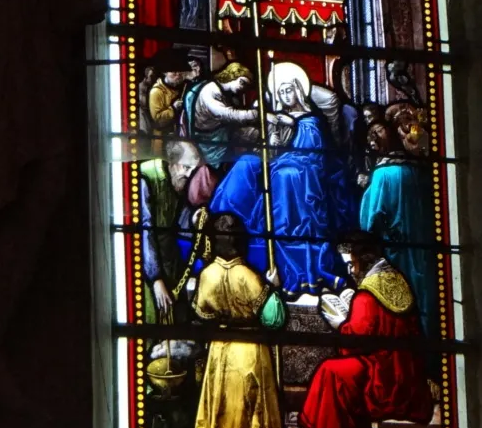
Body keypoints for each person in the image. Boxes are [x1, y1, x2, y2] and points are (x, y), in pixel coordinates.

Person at [299, 231, 433, 428]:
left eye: (352, 264)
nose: (351, 271)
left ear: (364, 261)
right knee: (333, 375)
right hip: (406, 379)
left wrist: (338, 323)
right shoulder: (396, 281)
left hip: (384, 386)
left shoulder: (368, 294)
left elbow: (353, 342)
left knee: (330, 376)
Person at [154, 213, 286, 428]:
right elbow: (275, 320)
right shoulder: (250, 278)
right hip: (250, 352)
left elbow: (202, 315)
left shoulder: (207, 276)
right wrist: (273, 287)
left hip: (220, 351)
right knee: (248, 416)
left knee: (220, 412)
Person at [209, 62, 356, 298]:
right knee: (247, 163)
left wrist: (282, 153)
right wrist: (271, 139)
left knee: (285, 175)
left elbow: (312, 154)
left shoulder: (311, 120)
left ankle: (285, 227)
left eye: (288, 90)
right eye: (281, 92)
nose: (286, 96)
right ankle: (221, 220)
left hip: (307, 171)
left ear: (298, 90)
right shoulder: (278, 117)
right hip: (281, 163)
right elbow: (269, 148)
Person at [359, 120, 437, 338]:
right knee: (427, 293)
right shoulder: (422, 171)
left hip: (397, 249)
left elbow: (369, 221)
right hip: (426, 245)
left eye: (377, 133)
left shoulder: (383, 174)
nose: (373, 141)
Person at [140, 140, 217, 323]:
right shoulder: (147, 179)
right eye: (186, 167)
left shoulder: (178, 181)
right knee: (154, 316)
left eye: (193, 168)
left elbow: (177, 219)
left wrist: (193, 220)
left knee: (179, 316)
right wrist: (155, 279)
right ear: (172, 162)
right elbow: (145, 232)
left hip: (171, 261)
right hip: (146, 264)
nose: (189, 174)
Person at [185, 62, 259, 170]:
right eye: (241, 82)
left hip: (221, 133)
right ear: (231, 75)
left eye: (245, 85)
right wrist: (255, 114)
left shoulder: (225, 93)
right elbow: (227, 114)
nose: (242, 87)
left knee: (254, 133)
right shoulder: (210, 90)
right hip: (208, 141)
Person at [148, 50, 190, 134]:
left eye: (180, 71)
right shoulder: (156, 92)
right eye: (174, 72)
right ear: (165, 72)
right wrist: (173, 108)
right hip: (163, 138)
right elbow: (158, 121)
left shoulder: (186, 87)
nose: (178, 74)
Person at [138, 66, 157, 136]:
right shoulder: (140, 87)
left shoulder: (153, 87)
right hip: (142, 113)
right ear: (146, 76)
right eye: (151, 76)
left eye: (153, 76)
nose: (152, 78)